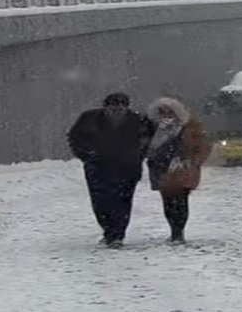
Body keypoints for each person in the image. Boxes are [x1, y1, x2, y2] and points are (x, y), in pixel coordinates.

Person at [67, 92, 155, 247]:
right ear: (105, 106)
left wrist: (137, 156)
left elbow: (149, 140)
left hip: (127, 168)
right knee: (101, 202)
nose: (117, 108)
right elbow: (75, 138)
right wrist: (87, 155)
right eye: (113, 105)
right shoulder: (89, 119)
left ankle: (117, 235)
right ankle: (108, 229)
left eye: (121, 105)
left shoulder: (139, 120)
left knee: (122, 202)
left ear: (127, 107)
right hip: (98, 167)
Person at [146, 97, 210, 244]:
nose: (167, 114)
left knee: (180, 200)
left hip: (183, 167)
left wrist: (194, 162)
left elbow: (203, 145)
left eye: (170, 111)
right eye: (162, 111)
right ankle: (174, 230)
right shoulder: (152, 127)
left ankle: (178, 232)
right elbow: (146, 146)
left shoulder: (190, 126)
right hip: (160, 168)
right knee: (167, 202)